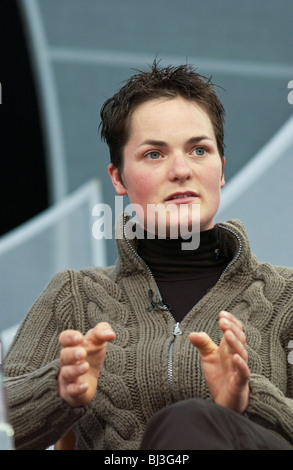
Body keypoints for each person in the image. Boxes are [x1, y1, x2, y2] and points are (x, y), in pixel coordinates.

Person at [3, 62, 293, 450]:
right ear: (118, 178)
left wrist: (250, 398)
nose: (181, 170)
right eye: (154, 154)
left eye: (199, 150)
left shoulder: (287, 296)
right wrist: (58, 389)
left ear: (221, 170)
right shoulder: (72, 294)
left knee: (190, 421)